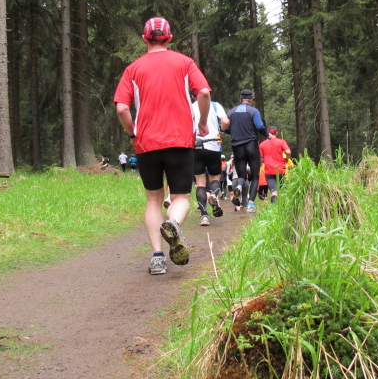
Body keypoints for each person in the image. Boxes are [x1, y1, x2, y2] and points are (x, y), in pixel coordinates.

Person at [114, 17, 211, 275]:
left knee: (153, 199)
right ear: (169, 37)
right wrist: (202, 122)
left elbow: (122, 108)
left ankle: (157, 258)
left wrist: (132, 133)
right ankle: (174, 223)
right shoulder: (184, 62)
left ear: (144, 38)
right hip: (180, 140)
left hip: (146, 143)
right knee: (181, 197)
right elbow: (203, 92)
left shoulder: (133, 69)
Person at [226, 89, 268, 213]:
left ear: (240, 100)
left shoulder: (231, 112)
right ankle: (250, 205)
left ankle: (239, 186)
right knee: (255, 177)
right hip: (251, 145)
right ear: (251, 100)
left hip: (237, 147)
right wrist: (267, 134)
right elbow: (259, 126)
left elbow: (226, 128)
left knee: (241, 175)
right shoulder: (254, 111)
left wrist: (234, 130)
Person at [192, 95, 230, 226]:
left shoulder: (190, 107)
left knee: (200, 183)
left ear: (193, 96)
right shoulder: (215, 105)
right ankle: (214, 195)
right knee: (215, 177)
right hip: (213, 145)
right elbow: (226, 121)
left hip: (196, 146)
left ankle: (204, 216)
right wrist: (220, 130)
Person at [259, 126, 291, 203]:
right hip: (280, 169)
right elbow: (288, 152)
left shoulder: (262, 144)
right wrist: (287, 158)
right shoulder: (281, 142)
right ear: (276, 133)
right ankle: (283, 206)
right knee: (283, 190)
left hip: (269, 171)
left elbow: (260, 158)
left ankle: (274, 206)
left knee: (274, 192)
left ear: (268, 133)